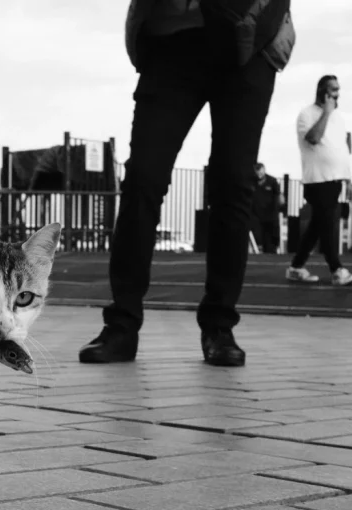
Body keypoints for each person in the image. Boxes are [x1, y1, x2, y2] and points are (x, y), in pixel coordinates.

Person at [79, 0, 295, 368]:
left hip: (253, 36)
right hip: (175, 34)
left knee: (234, 183)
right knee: (143, 178)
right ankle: (122, 325)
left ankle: (219, 325)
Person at [287, 75, 352, 286]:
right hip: (317, 181)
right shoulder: (306, 114)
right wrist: (326, 112)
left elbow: (342, 150)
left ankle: (296, 267)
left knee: (318, 225)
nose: (337, 94)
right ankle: (336, 269)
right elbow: (313, 138)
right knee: (327, 224)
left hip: (335, 180)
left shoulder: (339, 118)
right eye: (333, 89)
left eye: (338, 89)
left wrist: (349, 180)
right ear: (322, 91)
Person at [251, 162, 283, 253]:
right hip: (256, 214)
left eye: (260, 172)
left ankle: (272, 250)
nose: (259, 175)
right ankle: (259, 248)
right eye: (257, 173)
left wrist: (279, 204)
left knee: (271, 234)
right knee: (259, 233)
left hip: (270, 213)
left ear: (264, 170)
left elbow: (278, 195)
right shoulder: (252, 181)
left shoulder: (272, 181)